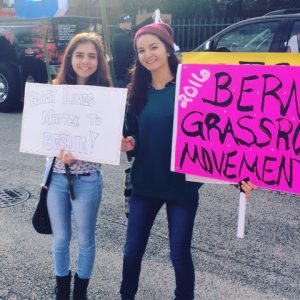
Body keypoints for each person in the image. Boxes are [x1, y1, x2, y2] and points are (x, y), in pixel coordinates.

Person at [120, 23, 257, 300]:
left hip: (182, 189)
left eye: (154, 47)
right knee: (132, 252)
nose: (148, 55)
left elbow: (217, 136)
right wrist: (129, 141)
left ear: (169, 49)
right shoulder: (136, 92)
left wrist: (239, 178)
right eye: (141, 50)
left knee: (179, 255)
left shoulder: (193, 88)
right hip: (144, 186)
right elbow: (130, 131)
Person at [43, 32, 111, 300]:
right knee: (60, 239)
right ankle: (62, 290)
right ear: (69, 58)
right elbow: (44, 136)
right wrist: (46, 173)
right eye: (80, 55)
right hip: (57, 179)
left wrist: (121, 142)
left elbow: (106, 140)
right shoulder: (55, 91)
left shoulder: (106, 95)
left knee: (85, 240)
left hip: (88, 179)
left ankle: (80, 292)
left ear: (99, 61)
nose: (86, 61)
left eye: (92, 56)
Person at [111, 14, 135, 87]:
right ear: (121, 25)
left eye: (130, 22)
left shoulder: (117, 35)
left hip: (121, 74)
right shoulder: (120, 37)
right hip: (122, 75)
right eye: (127, 22)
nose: (130, 24)